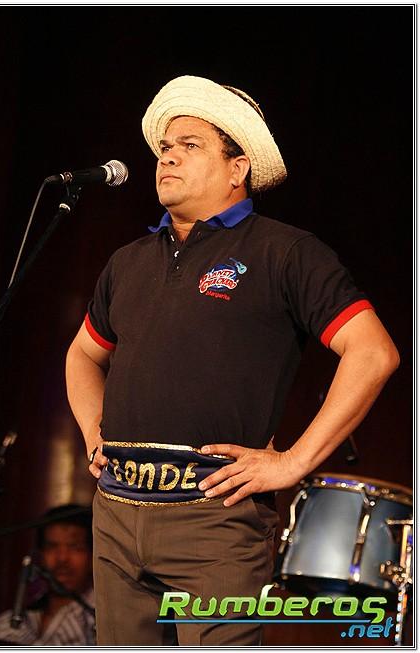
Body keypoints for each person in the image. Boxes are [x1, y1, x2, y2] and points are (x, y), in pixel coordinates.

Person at [65, 75, 400, 646]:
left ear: (237, 168)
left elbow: (372, 351)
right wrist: (93, 430)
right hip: (117, 511)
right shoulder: (128, 262)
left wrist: (292, 463)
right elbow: (82, 352)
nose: (168, 157)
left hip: (214, 514)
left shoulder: (284, 251)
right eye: (165, 148)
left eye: (189, 145)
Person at [0, 504, 95, 646]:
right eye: (52, 546)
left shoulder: (102, 620)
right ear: (40, 555)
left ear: (93, 557)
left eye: (74, 547)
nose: (62, 558)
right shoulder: (8, 623)